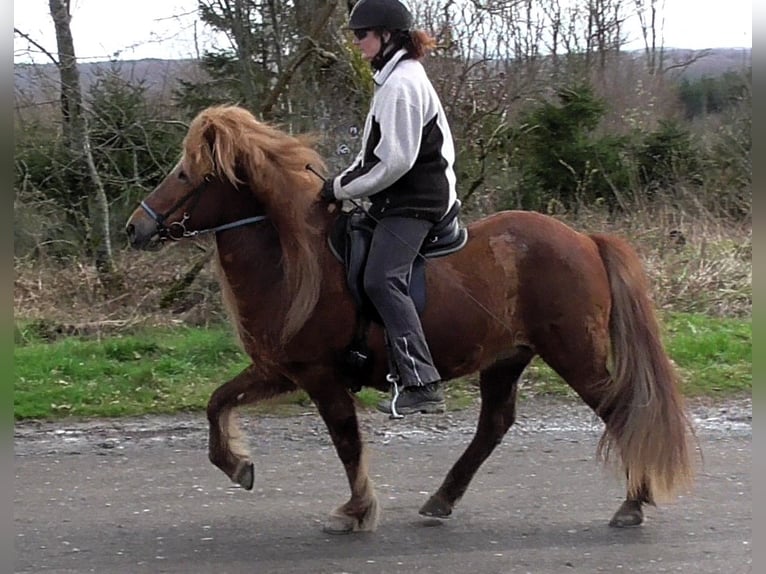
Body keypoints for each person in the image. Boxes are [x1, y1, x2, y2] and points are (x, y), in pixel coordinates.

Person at [319, 0, 457, 416]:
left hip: (417, 202)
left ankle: (421, 381)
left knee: (382, 279)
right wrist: (339, 184)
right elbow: (373, 156)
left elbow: (395, 160)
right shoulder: (393, 77)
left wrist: (340, 189)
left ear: (386, 36)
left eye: (362, 35)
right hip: (399, 197)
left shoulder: (401, 84)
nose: (358, 43)